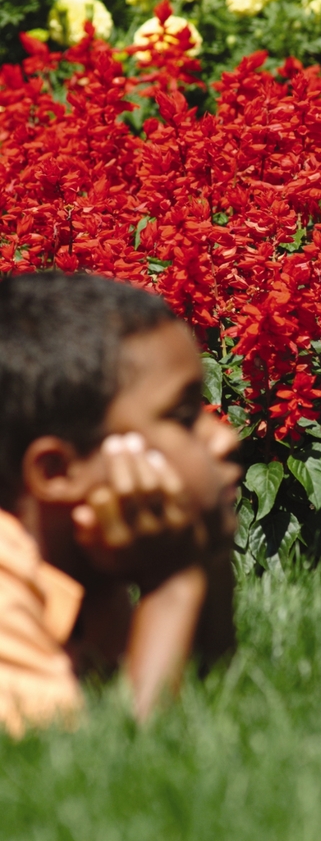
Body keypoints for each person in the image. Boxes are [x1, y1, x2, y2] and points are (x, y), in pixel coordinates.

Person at [0, 271, 240, 735]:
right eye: (183, 416)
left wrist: (203, 551)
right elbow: (114, 776)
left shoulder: (87, 571)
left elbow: (208, 682)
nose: (225, 439)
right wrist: (170, 587)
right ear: (57, 472)